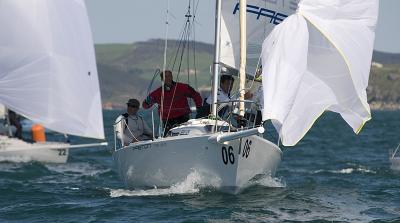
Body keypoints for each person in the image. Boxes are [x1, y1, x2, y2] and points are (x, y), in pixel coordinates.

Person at [142, 70, 202, 135]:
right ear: (162, 79)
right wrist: (147, 102)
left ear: (172, 77)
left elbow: (196, 96)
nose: (168, 78)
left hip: (183, 118)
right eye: (165, 77)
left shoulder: (182, 87)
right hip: (168, 121)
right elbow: (145, 106)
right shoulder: (157, 93)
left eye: (169, 76)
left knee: (185, 136)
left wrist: (199, 109)